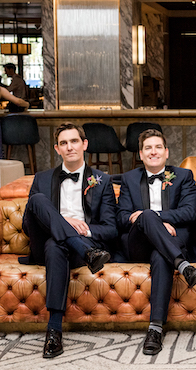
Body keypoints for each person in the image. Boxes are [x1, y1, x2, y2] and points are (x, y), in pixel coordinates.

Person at [20, 122, 116, 358]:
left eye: (74, 141)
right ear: (57, 149)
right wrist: (64, 221)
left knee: (56, 245)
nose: (69, 147)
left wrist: (83, 231)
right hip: (57, 247)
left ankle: (54, 331)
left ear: (84, 144)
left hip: (70, 247)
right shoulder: (41, 178)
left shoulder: (102, 181)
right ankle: (84, 250)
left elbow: (111, 229)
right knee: (38, 200)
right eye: (64, 143)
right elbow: (26, 224)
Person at [116, 129, 196, 355]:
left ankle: (155, 329)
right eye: (148, 148)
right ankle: (183, 266)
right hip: (138, 243)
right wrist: (148, 220)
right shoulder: (128, 179)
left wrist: (155, 219)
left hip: (171, 241)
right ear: (141, 154)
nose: (153, 152)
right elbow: (121, 217)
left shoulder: (183, 176)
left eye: (158, 147)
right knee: (146, 216)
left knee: (160, 253)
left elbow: (189, 213)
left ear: (166, 152)